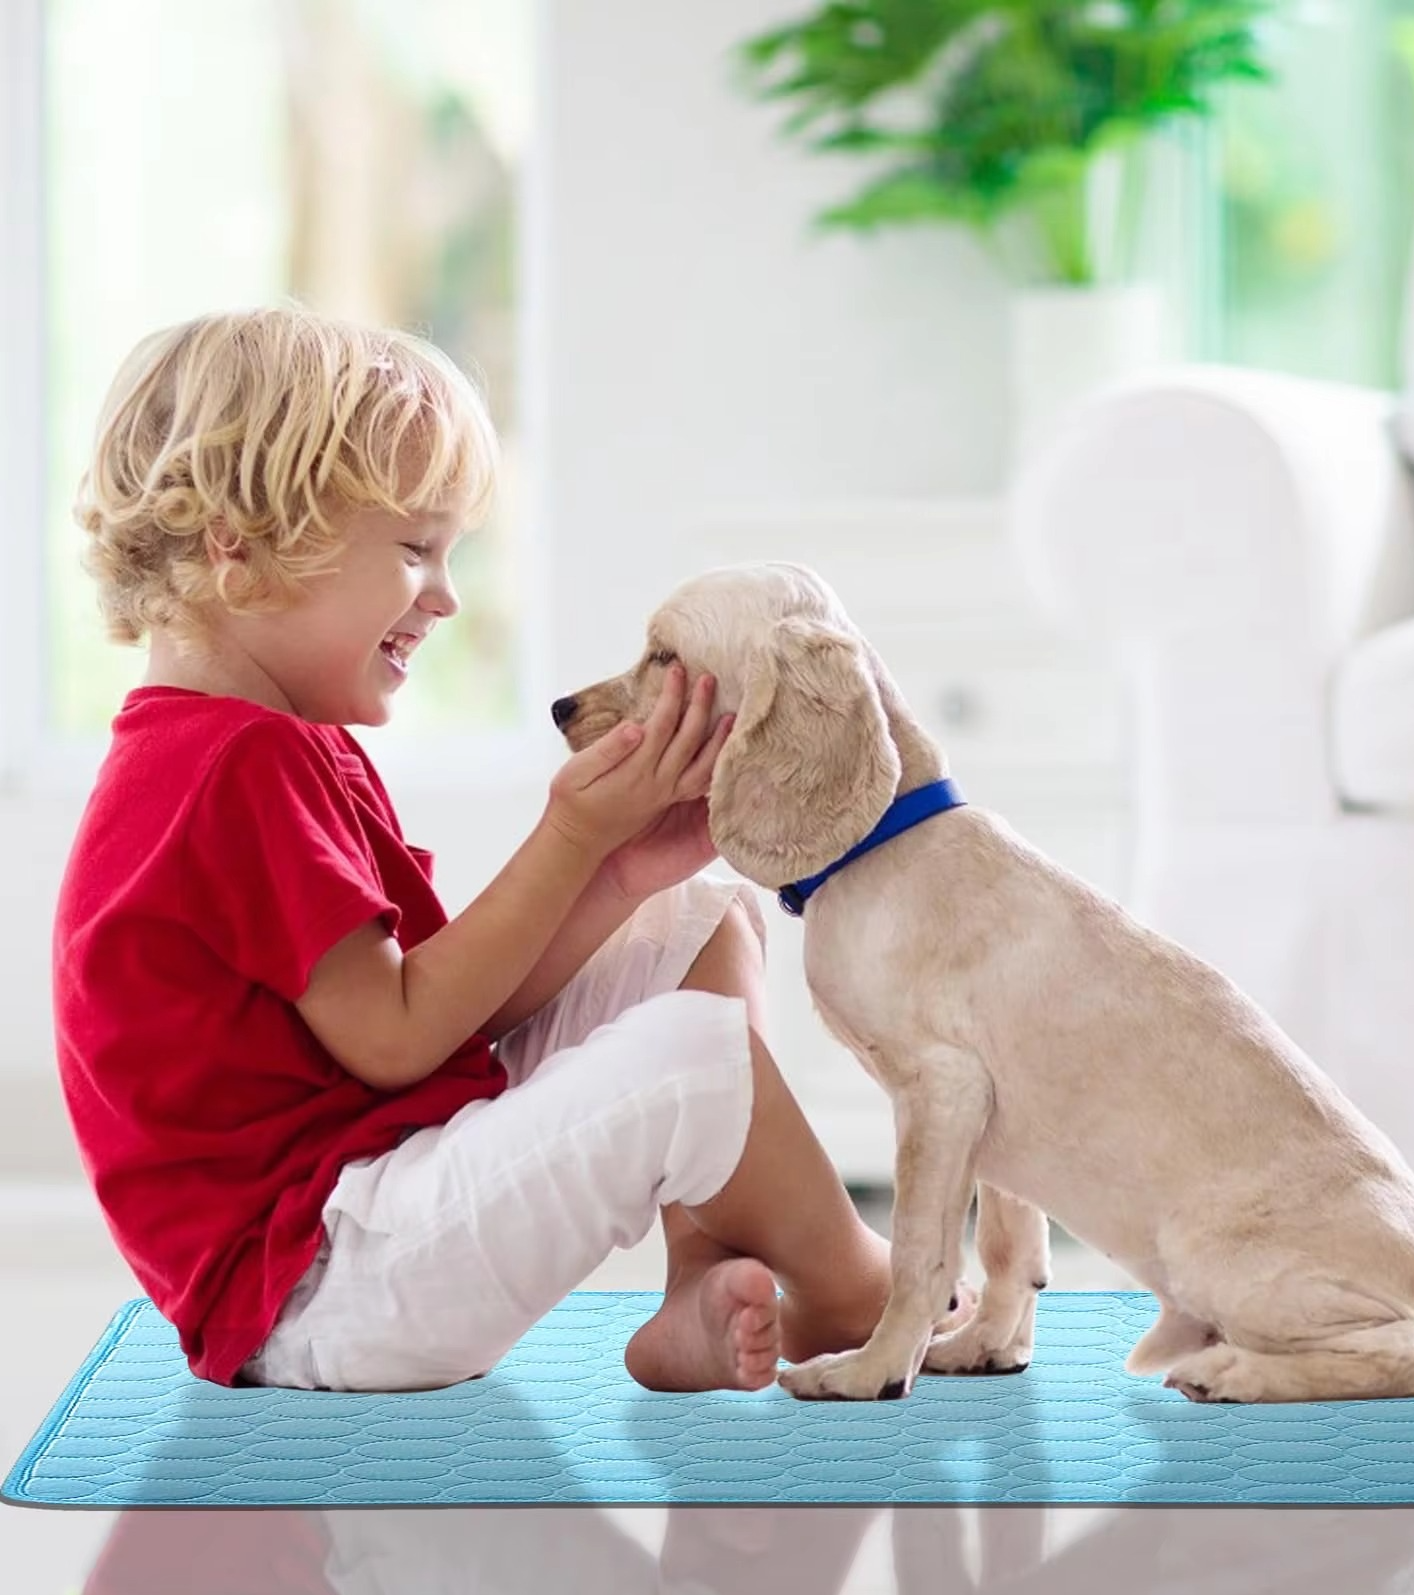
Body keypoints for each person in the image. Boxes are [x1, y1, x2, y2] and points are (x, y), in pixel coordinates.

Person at [53, 304, 902, 1394]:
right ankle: (849, 1290)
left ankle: (703, 1271)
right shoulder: (231, 770)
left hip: (372, 1214)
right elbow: (402, 1039)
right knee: (695, 1055)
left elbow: (447, 1012)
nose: (446, 597)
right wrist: (570, 831)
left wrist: (621, 872)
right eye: (415, 550)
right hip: (325, 1283)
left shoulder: (257, 745)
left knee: (702, 916)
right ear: (239, 545)